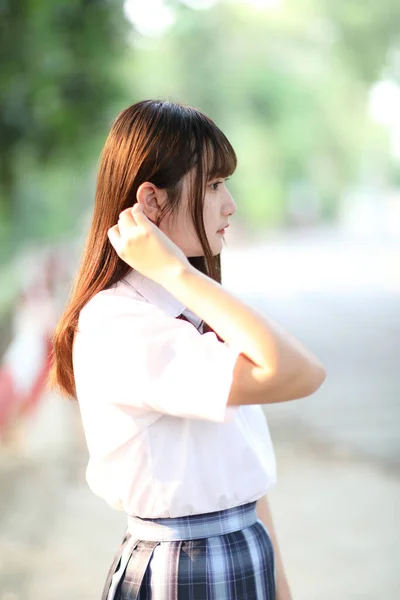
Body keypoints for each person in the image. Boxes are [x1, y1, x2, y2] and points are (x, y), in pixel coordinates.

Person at [50, 99, 326, 600]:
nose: (230, 204)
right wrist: (177, 270)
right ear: (151, 201)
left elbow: (238, 471)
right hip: (185, 569)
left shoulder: (188, 305)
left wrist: (282, 588)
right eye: (215, 185)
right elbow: (300, 373)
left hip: (243, 546)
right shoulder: (120, 321)